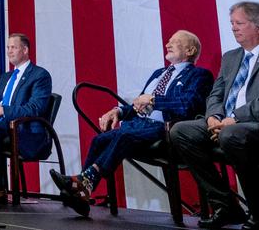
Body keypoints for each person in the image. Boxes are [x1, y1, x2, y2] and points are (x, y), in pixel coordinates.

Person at [51, 30, 214, 216]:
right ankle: (82, 193)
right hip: (139, 125)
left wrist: (154, 101)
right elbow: (138, 104)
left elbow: (188, 105)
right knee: (100, 139)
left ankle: (82, 183)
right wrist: (118, 111)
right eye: (168, 41)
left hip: (165, 128)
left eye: (174, 42)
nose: (167, 45)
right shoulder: (159, 73)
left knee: (124, 135)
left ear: (190, 50)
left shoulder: (200, 75)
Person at [170, 1, 259, 230]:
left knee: (231, 134)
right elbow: (216, 93)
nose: (233, 28)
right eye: (232, 23)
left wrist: (236, 118)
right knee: (181, 131)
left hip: (257, 124)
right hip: (224, 121)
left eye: (239, 23)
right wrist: (213, 116)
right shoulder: (230, 57)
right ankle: (225, 205)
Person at [0, 33, 52, 203]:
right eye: (8, 47)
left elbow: (35, 108)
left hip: (25, 131)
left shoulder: (39, 75)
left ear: (25, 50)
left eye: (13, 47)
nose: (9, 51)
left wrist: (3, 111)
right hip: (3, 127)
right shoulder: (5, 77)